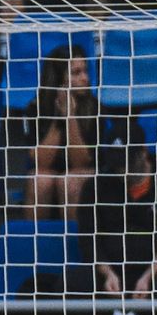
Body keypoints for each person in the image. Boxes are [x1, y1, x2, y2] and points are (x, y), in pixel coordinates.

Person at [73, 131, 157, 315]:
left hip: (154, 270)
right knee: (73, 283)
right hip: (110, 271)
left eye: (127, 164)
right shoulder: (96, 185)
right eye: (118, 165)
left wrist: (148, 276)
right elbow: (88, 238)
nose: (123, 171)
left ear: (143, 153)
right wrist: (107, 272)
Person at [25, 44, 111, 221]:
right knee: (39, 180)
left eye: (85, 71)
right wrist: (59, 118)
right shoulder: (35, 108)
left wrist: (70, 117)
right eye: (76, 73)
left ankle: (75, 238)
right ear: (59, 80)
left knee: (70, 181)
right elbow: (41, 162)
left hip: (86, 173)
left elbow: (81, 162)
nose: (85, 78)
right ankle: (37, 238)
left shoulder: (96, 108)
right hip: (51, 172)